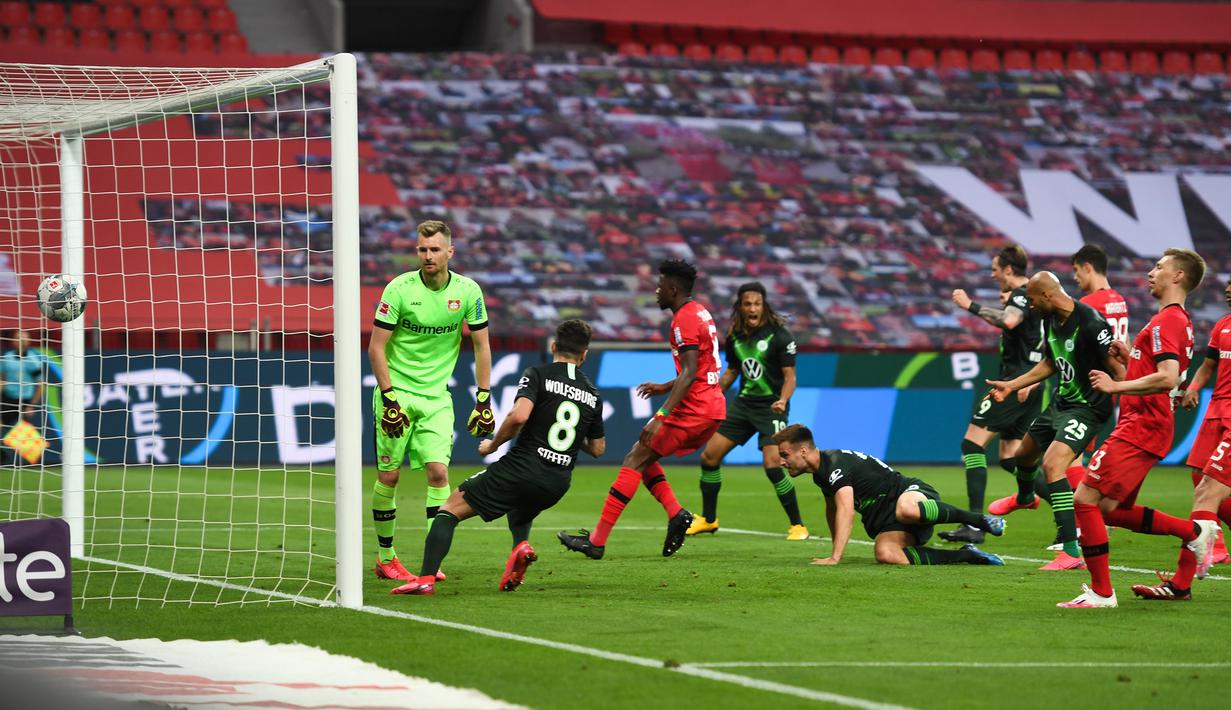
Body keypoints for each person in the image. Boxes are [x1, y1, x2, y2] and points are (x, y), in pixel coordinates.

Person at [392, 320, 605, 596]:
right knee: (520, 510)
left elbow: (519, 416)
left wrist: (492, 446)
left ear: (554, 346)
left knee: (449, 510)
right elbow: (597, 448)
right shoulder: (592, 393)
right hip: (557, 482)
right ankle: (520, 547)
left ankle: (425, 579)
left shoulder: (538, 374)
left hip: (522, 468)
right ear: (584, 355)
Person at [1056, 249, 1218, 608]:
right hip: (1148, 423)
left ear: (1178, 276)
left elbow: (1168, 377)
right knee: (1109, 508)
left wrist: (1116, 385)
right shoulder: (1174, 320)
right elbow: (1165, 374)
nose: (1151, 273)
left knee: (1084, 499)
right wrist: (1131, 358)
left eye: (1159, 267)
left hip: (1142, 425)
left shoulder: (1167, 321)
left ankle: (1102, 593)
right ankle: (1194, 532)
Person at [558, 259, 725, 559]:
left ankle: (597, 541)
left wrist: (661, 415)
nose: (657, 291)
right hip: (712, 404)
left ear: (673, 289)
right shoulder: (700, 312)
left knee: (634, 459)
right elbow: (700, 368)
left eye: (660, 286)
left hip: (696, 407)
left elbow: (690, 373)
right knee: (643, 454)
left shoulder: (684, 320)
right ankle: (676, 513)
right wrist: (664, 386)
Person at [367, 219, 493, 582]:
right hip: (397, 394)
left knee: (439, 473)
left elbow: (481, 345)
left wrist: (484, 397)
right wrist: (389, 397)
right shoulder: (399, 289)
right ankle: (386, 558)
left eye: (435, 249)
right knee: (389, 476)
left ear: (449, 252)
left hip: (437, 397)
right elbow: (376, 347)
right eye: (422, 249)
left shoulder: (468, 292)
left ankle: (430, 563)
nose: (428, 255)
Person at [985, 272, 1125, 570]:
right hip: (1061, 403)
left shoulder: (1091, 323)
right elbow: (1050, 362)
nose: (1030, 305)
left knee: (1052, 465)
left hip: (1088, 408)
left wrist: (1133, 404)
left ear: (1047, 296)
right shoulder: (1050, 319)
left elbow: (1118, 370)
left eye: (1032, 300)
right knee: (1022, 455)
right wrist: (1012, 385)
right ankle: (1025, 497)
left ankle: (1071, 550)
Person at [771, 425, 1005, 566]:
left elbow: (846, 510)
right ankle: (965, 556)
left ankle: (979, 520)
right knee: (886, 553)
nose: (781, 461)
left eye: (785, 455)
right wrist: (833, 548)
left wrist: (835, 557)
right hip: (892, 522)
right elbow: (832, 510)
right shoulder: (821, 474)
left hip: (913, 495)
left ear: (803, 451)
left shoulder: (835, 465)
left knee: (906, 509)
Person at [1134, 274, 1231, 601]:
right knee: (1200, 479)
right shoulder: (1222, 325)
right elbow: (1208, 365)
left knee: (1207, 492)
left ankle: (1181, 584)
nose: (1228, 291)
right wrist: (1193, 388)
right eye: (1228, 285)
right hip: (1216, 411)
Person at [686, 282, 806, 540]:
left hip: (771, 407)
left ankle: (798, 525)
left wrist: (783, 400)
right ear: (740, 307)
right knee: (709, 457)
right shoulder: (735, 336)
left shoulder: (780, 336)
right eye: (748, 304)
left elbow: (790, 377)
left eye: (757, 304)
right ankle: (708, 520)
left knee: (772, 464)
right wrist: (711, 393)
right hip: (743, 406)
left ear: (764, 306)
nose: (753, 309)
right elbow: (732, 370)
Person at [944, 245, 1044, 544]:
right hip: (1031, 382)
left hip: (1015, 383)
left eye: (995, 269)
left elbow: (1009, 320)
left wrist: (969, 305)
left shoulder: (1022, 295)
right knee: (1012, 458)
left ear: (1008, 270)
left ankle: (975, 525)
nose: (992, 274)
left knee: (971, 444)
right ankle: (1073, 510)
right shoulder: (1037, 296)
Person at [0, 329, 45, 466]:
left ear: (28, 341)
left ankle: (31, 459)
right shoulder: (6, 358)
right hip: (8, 398)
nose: (21, 341)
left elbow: (40, 385)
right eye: (18, 338)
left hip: (25, 400)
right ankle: (3, 456)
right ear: (13, 341)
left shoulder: (33, 361)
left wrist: (31, 405)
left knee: (23, 433)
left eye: (24, 338)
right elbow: (2, 380)